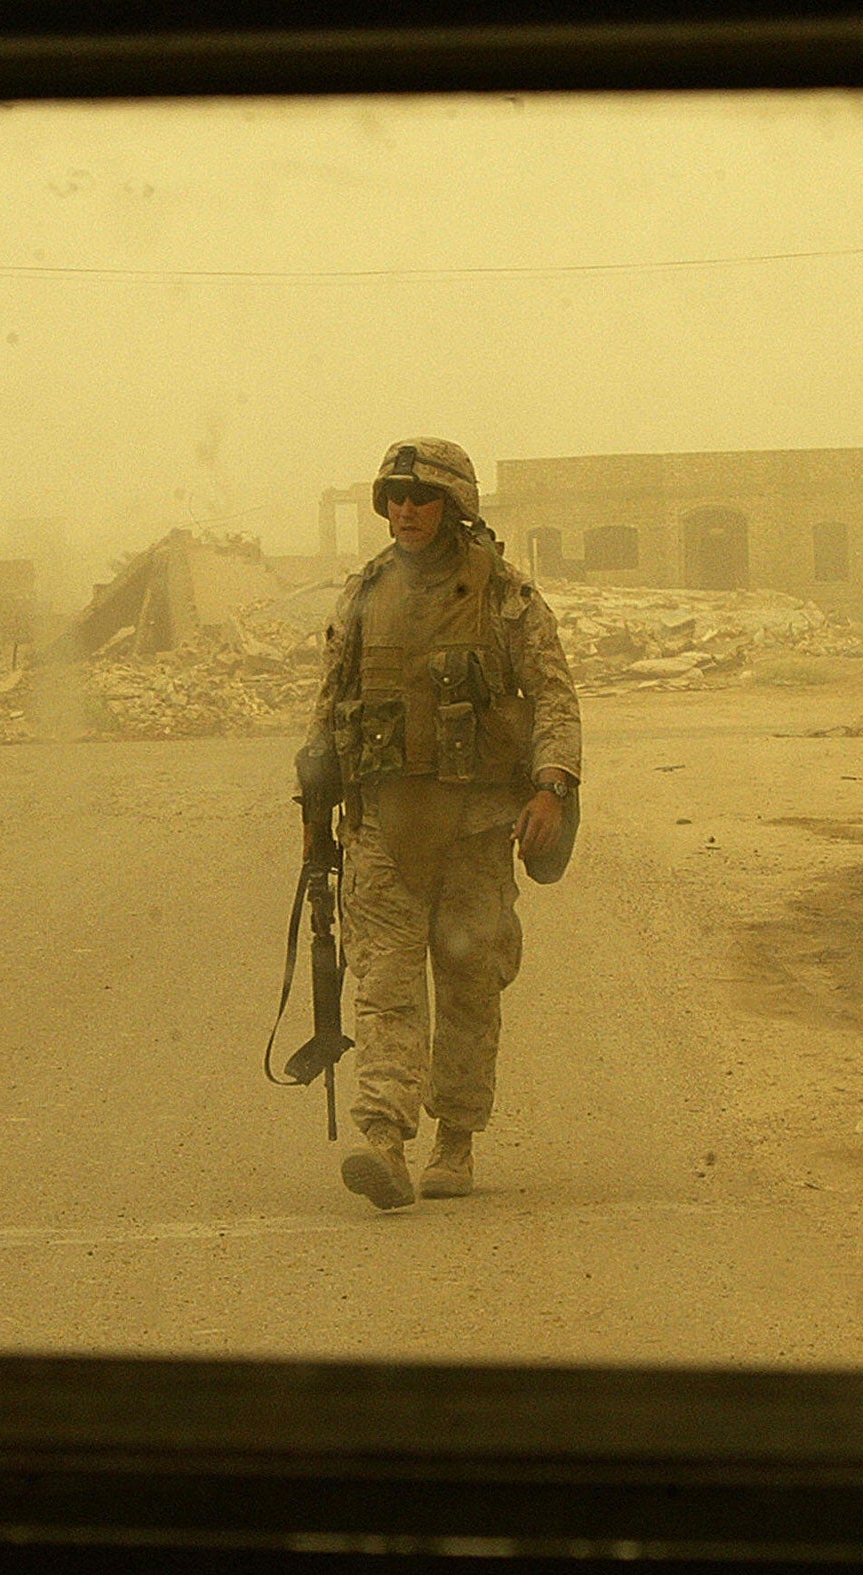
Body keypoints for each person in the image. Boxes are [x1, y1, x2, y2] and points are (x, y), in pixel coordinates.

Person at [303, 438, 582, 1210]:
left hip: (476, 825)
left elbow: (554, 694)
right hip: (383, 825)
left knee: (468, 983)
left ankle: (455, 1137)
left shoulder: (505, 596)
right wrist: (318, 773)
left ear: (455, 506)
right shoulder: (364, 593)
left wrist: (552, 786)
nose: (405, 510)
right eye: (394, 497)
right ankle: (384, 1139)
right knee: (386, 984)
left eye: (421, 498)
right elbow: (332, 700)